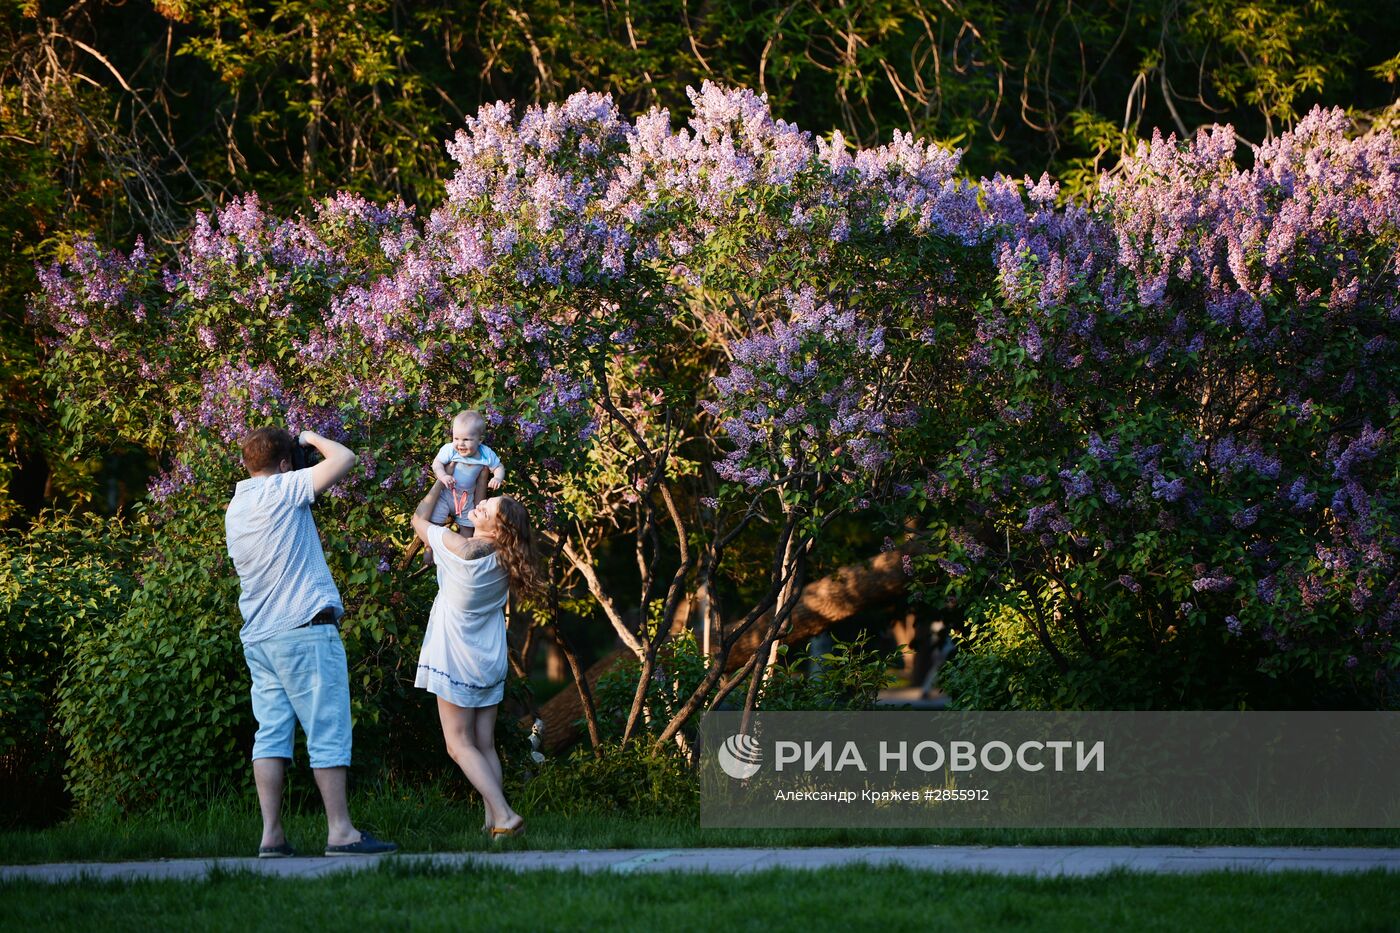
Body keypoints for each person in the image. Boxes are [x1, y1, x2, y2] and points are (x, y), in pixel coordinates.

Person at [225, 427, 397, 858]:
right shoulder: (282, 488)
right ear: (284, 464)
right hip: (304, 630)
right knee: (327, 728)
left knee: (270, 735)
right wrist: (311, 436)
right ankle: (340, 832)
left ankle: (271, 836)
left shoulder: (237, 505)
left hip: (261, 639)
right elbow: (345, 459)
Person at [410, 480, 539, 838]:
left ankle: (504, 814)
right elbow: (472, 518)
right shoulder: (506, 557)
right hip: (488, 657)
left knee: (458, 744)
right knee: (484, 744)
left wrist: (439, 481)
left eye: (488, 509)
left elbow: (418, 521)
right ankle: (492, 823)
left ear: (499, 527)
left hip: (457, 657)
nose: (479, 507)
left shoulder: (461, 548)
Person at [422, 410, 506, 566]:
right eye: (456, 438)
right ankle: (429, 550)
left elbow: (499, 466)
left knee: (468, 528)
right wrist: (443, 476)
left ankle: (463, 556)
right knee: (435, 523)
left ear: (479, 440)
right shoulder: (450, 449)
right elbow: (437, 463)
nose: (460, 444)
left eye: (466, 439)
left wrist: (497, 477)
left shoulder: (485, 454)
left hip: (467, 498)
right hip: (447, 494)